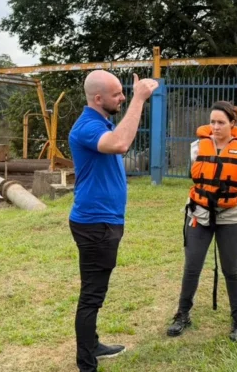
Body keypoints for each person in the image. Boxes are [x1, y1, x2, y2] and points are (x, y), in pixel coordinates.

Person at [68, 70, 159, 372]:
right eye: (117, 93)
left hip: (104, 223)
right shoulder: (87, 128)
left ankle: (92, 345)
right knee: (92, 295)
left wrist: (133, 100)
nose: (122, 97)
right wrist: (139, 99)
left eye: (123, 92)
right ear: (98, 98)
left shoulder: (102, 123)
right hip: (96, 225)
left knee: (95, 290)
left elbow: (121, 137)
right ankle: (86, 363)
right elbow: (120, 144)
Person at [166, 101, 237, 342]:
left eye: (221, 122)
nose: (215, 127)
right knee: (192, 267)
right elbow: (192, 177)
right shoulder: (197, 148)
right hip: (199, 213)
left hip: (232, 216)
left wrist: (228, 197)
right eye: (212, 122)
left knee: (231, 270)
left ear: (233, 124)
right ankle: (182, 314)